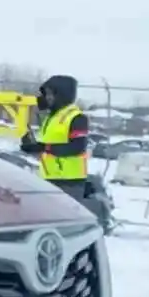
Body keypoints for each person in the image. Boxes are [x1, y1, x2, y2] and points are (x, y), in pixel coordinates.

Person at [21, 74, 105, 219]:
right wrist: (31, 147)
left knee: (63, 222)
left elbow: (77, 147)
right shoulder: (50, 118)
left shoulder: (77, 118)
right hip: (49, 179)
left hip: (69, 182)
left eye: (48, 94)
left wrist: (43, 147)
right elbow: (49, 150)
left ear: (61, 94)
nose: (46, 98)